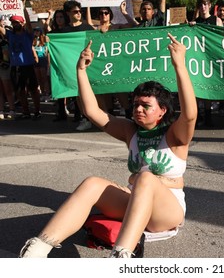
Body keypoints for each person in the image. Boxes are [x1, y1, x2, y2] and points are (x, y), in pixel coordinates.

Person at [18, 33, 197, 258]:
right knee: (93, 183)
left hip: (166, 212)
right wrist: (81, 71)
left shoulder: (175, 136)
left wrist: (179, 65)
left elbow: (190, 115)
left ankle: (122, 256)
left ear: (162, 110)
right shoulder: (129, 130)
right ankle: (36, 250)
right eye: (135, 104)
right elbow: (93, 112)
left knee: (145, 178)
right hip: (134, 203)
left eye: (146, 105)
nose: (138, 109)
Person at [0, 3, 41, 119]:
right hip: (15, 67)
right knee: (20, 90)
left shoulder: (28, 35)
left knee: (33, 90)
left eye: (17, 22)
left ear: (22, 23)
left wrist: (23, 7)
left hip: (27, 66)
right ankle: (26, 111)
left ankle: (37, 110)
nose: (15, 24)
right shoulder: (9, 35)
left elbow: (28, 23)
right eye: (13, 22)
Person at [189, 0, 223, 126]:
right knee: (197, 85)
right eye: (200, 5)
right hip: (198, 56)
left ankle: (208, 114)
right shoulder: (195, 22)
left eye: (205, 4)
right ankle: (198, 115)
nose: (203, 7)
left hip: (211, 55)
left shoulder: (216, 20)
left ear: (209, 5)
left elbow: (221, 37)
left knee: (208, 85)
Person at [63, 0, 95, 131]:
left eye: (80, 11)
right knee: (78, 93)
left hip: (89, 66)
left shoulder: (87, 27)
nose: (78, 14)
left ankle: (95, 117)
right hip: (72, 66)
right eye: (75, 11)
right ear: (68, 13)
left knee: (91, 92)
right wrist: (49, 40)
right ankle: (85, 118)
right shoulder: (63, 31)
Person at [44, 9, 71, 122]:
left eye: (61, 17)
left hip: (69, 63)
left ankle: (79, 114)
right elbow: (46, 30)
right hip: (57, 64)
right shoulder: (53, 33)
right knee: (59, 88)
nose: (59, 19)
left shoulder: (70, 31)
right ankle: (61, 112)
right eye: (57, 17)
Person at [0, 16, 15, 120]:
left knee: (7, 89)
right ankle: (1, 110)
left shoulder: (7, 36)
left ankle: (12, 110)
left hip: (4, 65)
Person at [32, 27, 50, 102]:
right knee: (38, 78)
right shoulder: (33, 41)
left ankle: (47, 93)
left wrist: (48, 63)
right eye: (35, 31)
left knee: (44, 77)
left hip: (42, 59)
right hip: (35, 60)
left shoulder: (44, 41)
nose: (36, 32)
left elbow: (47, 52)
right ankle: (42, 93)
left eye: (37, 31)